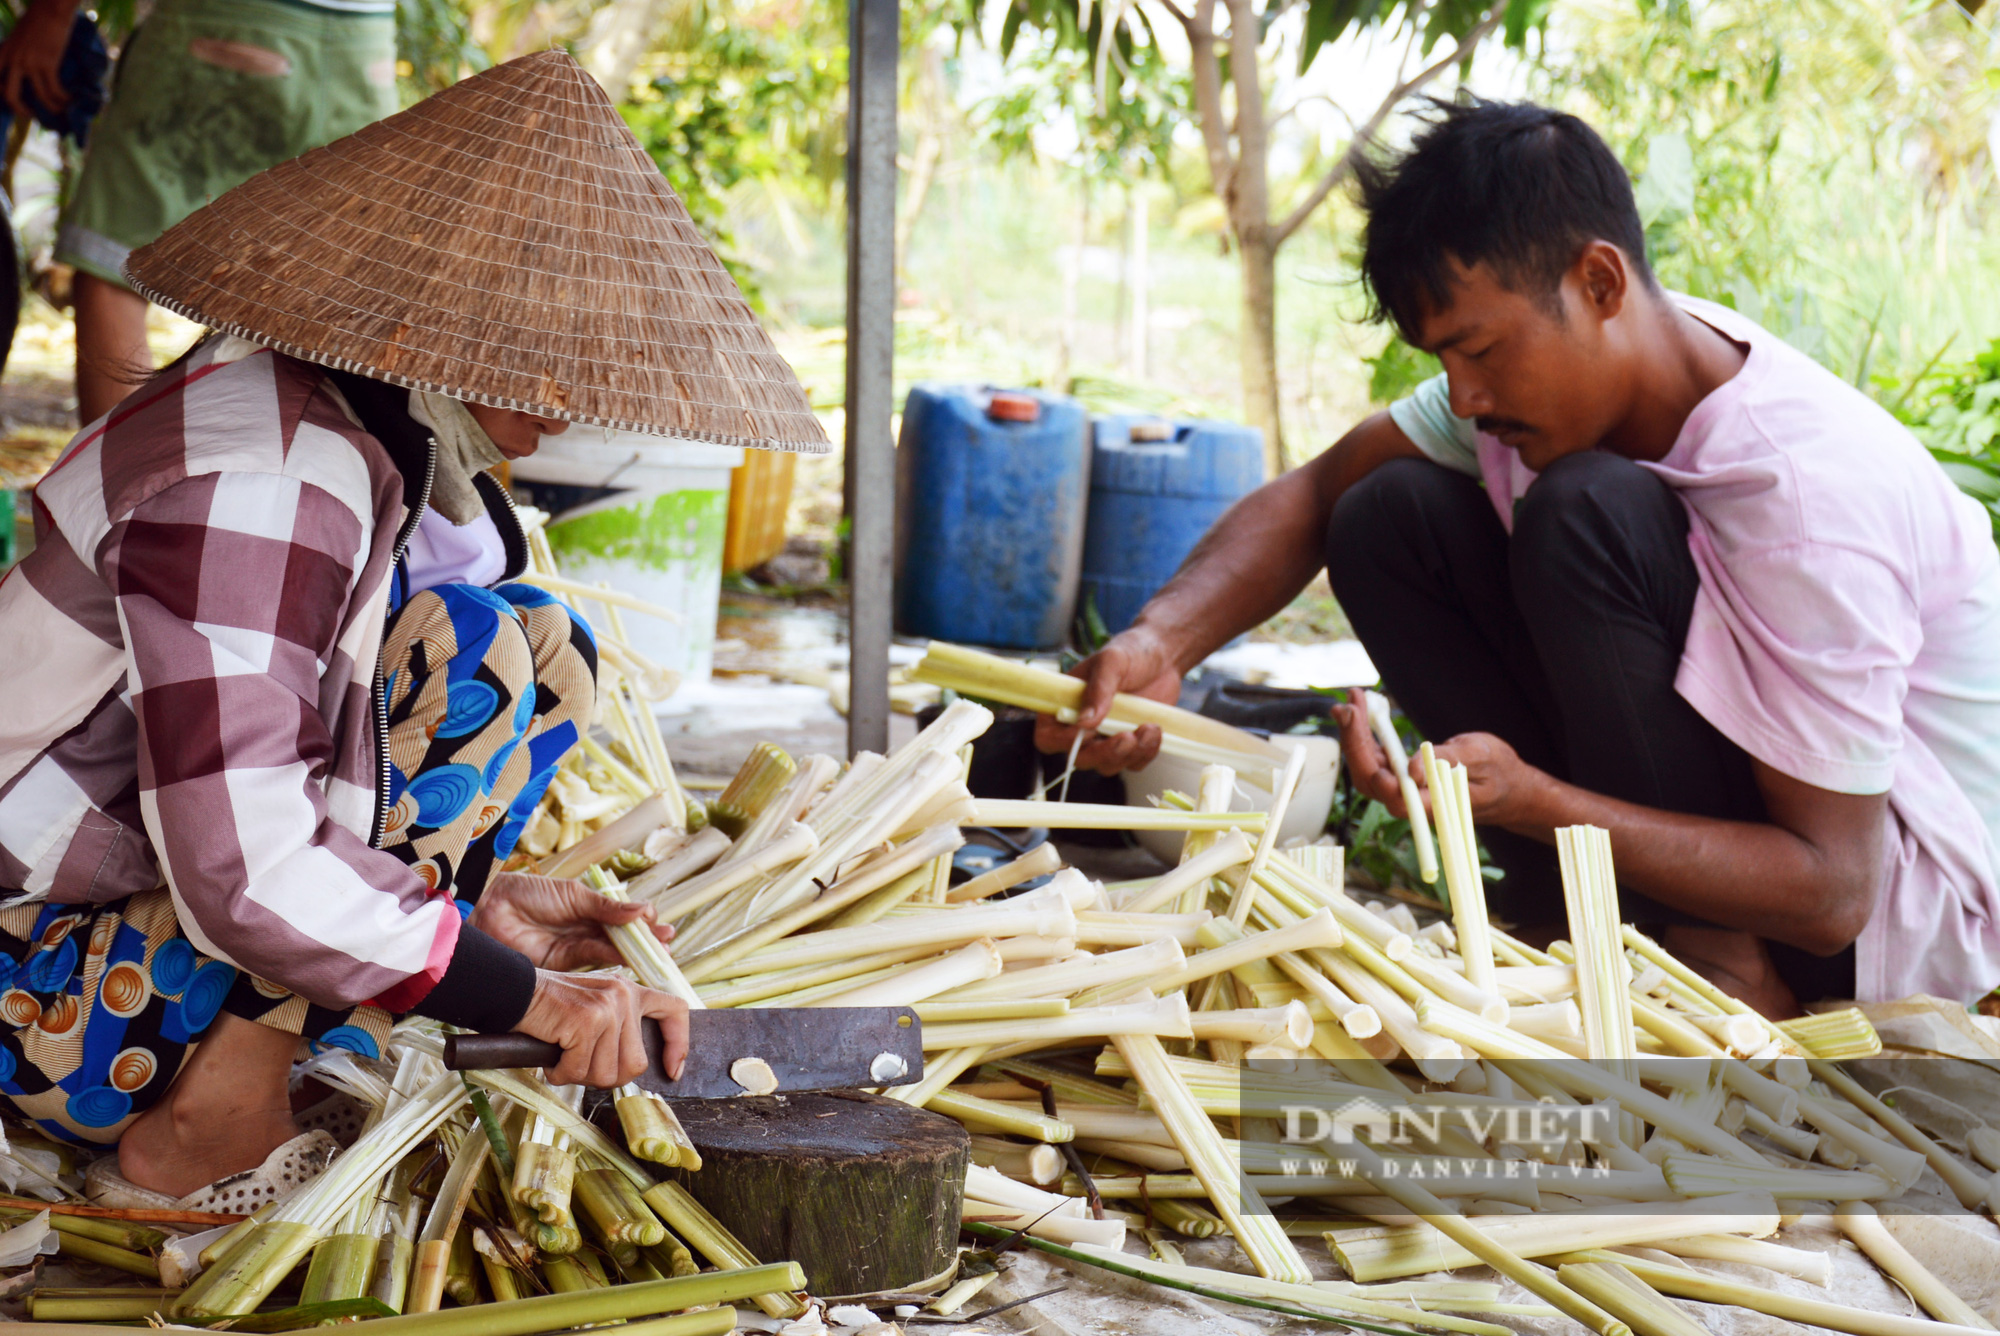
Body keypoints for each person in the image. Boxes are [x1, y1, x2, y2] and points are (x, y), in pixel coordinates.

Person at [0, 50, 827, 1209]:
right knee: (477, 660)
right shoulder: (262, 486)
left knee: (533, 645)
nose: (566, 403)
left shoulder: (330, 431)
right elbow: (246, 863)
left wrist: (476, 915)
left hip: (118, 931)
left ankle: (289, 1042)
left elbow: (319, 752)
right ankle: (203, 1124)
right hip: (37, 993)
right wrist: (523, 996)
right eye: (545, 361)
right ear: (443, 339)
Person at [1040, 98, 2000, 1020]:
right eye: (1442, 363)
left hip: (1887, 922)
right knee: (1386, 514)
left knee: (1585, 510)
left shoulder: (1807, 495)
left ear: (1600, 284)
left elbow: (1833, 890)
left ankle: (1703, 959)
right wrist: (1163, 642)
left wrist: (1537, 803)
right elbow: (1317, 491)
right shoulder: (1567, 376)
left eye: (1481, 352)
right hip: (1740, 844)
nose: (1462, 398)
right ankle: (1578, 924)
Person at [0, 0, 398, 422]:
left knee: (112, 268)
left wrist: (51, 14)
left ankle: (126, 482)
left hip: (220, 26)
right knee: (341, 292)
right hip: (366, 49)